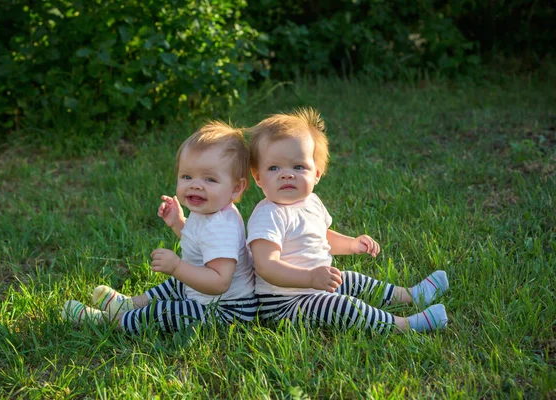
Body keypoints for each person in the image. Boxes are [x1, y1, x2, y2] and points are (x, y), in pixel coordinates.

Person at [246, 107, 449, 334]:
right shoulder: (268, 215)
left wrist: (351, 244)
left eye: (298, 166)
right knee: (341, 306)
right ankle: (403, 325)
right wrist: (310, 277)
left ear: (317, 174)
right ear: (258, 178)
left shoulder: (311, 202)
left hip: (315, 286)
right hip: (282, 304)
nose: (286, 174)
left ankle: (410, 295)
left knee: (350, 279)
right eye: (274, 167)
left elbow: (322, 237)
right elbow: (266, 265)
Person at [62, 121, 257, 333]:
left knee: (166, 310)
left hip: (228, 311)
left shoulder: (222, 227)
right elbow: (200, 245)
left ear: (236, 188)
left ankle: (110, 321)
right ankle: (131, 304)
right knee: (177, 284)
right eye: (187, 176)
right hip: (208, 296)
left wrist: (177, 267)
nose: (195, 185)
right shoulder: (209, 210)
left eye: (210, 179)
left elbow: (220, 282)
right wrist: (178, 223)